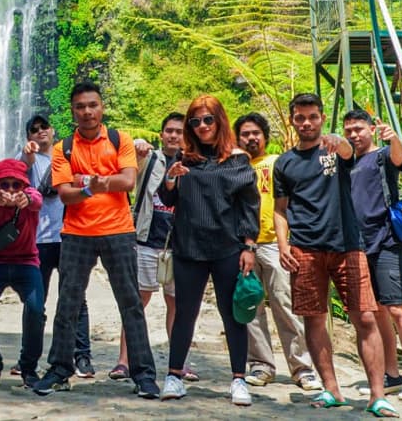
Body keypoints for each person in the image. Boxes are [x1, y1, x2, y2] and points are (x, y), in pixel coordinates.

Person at [33, 82, 159, 399]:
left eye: (92, 105)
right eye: (80, 107)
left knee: (130, 303)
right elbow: (66, 195)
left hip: (118, 230)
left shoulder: (120, 140)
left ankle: (144, 374)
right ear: (72, 111)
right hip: (76, 233)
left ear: (101, 107)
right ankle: (59, 370)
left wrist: (84, 181)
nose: (87, 111)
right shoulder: (63, 148)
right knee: (67, 303)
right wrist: (94, 186)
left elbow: (127, 181)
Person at [274, 93, 395, 418]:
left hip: (348, 246)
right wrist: (283, 245)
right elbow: (281, 209)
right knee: (313, 319)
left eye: (312, 116)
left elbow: (348, 151)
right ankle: (331, 389)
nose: (306, 123)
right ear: (292, 120)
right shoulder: (284, 163)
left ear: (322, 117)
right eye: (300, 117)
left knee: (365, 317)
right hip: (304, 249)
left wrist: (339, 142)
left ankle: (378, 395)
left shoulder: (336, 150)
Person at [155, 96, 260, 404]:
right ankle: (174, 376)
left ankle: (239, 379)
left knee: (233, 315)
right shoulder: (184, 158)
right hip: (189, 246)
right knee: (184, 312)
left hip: (228, 246)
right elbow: (167, 199)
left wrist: (249, 246)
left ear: (220, 121)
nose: (202, 126)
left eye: (208, 120)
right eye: (195, 121)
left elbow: (249, 206)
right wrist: (171, 178)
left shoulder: (237, 159)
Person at [342, 110, 402, 401]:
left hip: (387, 241)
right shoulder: (349, 163)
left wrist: (394, 139)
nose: (354, 135)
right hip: (360, 244)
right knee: (378, 311)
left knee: (397, 309)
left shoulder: (381, 156)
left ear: (370, 129)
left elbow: (399, 158)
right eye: (349, 130)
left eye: (359, 129)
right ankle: (391, 374)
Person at [234, 112, 320, 391]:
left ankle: (302, 368)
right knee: (250, 306)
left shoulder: (278, 163)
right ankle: (261, 365)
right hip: (243, 245)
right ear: (237, 139)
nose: (251, 138)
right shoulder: (233, 166)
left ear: (265, 137)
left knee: (286, 305)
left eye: (255, 133)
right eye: (245, 134)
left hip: (275, 243)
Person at [14, 115, 94, 380]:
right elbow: (15, 177)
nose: (40, 132)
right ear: (29, 136)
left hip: (69, 236)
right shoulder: (25, 159)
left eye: (44, 127)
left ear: (52, 130)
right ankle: (28, 358)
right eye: (34, 129)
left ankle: (82, 356)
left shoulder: (67, 156)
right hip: (37, 240)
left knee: (76, 298)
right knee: (34, 301)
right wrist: (27, 157)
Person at [109, 113, 183, 383]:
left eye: (179, 131)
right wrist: (136, 146)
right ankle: (124, 361)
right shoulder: (149, 158)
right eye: (169, 131)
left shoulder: (192, 163)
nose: (173, 135)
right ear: (161, 134)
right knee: (137, 302)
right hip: (146, 241)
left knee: (177, 305)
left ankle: (178, 363)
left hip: (179, 246)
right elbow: (122, 164)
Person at [0, 159, 45, 389]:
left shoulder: (30, 194)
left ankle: (28, 367)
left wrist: (26, 200)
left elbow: (37, 201)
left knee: (36, 310)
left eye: (16, 184)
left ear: (24, 185)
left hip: (27, 262)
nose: (11, 190)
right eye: (5, 184)